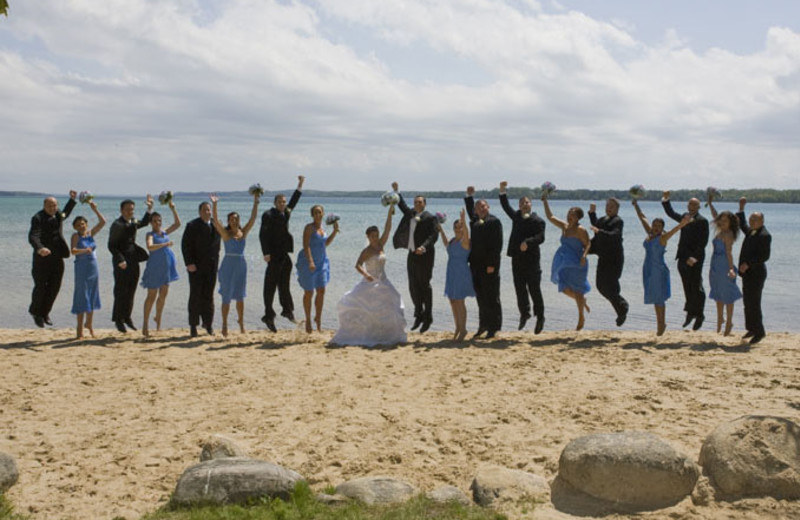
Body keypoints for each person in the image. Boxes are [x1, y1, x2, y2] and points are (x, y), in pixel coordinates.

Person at [331, 204, 406, 346]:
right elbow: (357, 264)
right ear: (368, 237)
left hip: (384, 281)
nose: (375, 238)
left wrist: (390, 212)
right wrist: (366, 275)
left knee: (394, 301)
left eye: (377, 235)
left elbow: (388, 229)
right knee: (367, 308)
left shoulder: (381, 245)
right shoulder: (367, 251)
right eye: (372, 236)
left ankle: (387, 334)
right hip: (370, 282)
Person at [632, 200, 691, 335]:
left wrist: (683, 223)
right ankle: (660, 323)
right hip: (648, 269)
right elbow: (642, 217)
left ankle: (661, 324)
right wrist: (636, 205)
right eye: (655, 225)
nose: (656, 227)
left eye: (659, 226)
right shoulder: (650, 234)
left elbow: (675, 230)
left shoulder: (662, 238)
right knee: (654, 296)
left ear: (662, 227)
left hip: (658, 270)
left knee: (659, 298)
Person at [391, 182, 439, 333]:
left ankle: (428, 316)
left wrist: (423, 247)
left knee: (424, 285)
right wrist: (396, 192)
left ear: (424, 204)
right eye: (415, 202)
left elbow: (433, 236)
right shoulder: (411, 214)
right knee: (413, 285)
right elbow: (402, 206)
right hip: (411, 254)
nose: (417, 204)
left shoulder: (430, 218)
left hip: (425, 255)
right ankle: (418, 314)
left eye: (420, 202)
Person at [499, 181, 546, 333]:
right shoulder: (517, 217)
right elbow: (505, 206)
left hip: (532, 261)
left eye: (527, 202)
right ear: (519, 206)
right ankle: (524, 314)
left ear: (531, 204)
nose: (524, 205)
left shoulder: (538, 220)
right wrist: (502, 191)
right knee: (520, 289)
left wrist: (528, 242)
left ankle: (540, 317)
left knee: (534, 290)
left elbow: (541, 237)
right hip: (517, 259)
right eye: (521, 203)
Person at [211, 193, 260, 337]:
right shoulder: (226, 234)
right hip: (228, 266)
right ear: (228, 220)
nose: (234, 221)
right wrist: (214, 204)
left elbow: (253, 219)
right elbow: (216, 223)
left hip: (241, 266)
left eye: (236, 219)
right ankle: (224, 324)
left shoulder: (242, 232)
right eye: (232, 219)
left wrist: (256, 202)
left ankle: (241, 323)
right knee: (226, 296)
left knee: (240, 296)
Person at [260, 175, 305, 332]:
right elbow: (262, 234)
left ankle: (287, 310)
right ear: (275, 203)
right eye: (280, 202)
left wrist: (299, 186)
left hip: (284, 254)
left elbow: (294, 202)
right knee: (270, 286)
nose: (283, 204)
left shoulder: (286, 212)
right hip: (273, 254)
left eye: (284, 202)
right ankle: (268, 315)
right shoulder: (268, 215)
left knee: (284, 284)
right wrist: (266, 253)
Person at [28, 191, 78, 327]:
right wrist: (40, 248)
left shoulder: (57, 214)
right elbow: (33, 236)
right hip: (42, 259)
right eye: (50, 206)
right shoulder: (37, 218)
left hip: (57, 258)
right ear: (44, 205)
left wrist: (72, 200)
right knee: (40, 287)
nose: (53, 208)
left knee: (54, 287)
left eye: (55, 205)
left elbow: (65, 214)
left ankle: (45, 313)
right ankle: (35, 312)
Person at [542, 195, 591, 331]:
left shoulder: (581, 230)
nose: (570, 215)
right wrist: (545, 201)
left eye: (573, 215)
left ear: (578, 218)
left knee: (578, 290)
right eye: (569, 213)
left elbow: (588, 244)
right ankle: (582, 302)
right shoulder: (564, 226)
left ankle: (581, 316)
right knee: (563, 288)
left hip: (578, 263)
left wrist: (584, 256)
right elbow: (550, 217)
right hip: (564, 262)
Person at [662, 191, 709, 330]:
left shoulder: (702, 220)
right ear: (688, 205)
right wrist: (666, 200)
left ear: (699, 207)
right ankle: (690, 312)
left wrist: (694, 257)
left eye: (695, 204)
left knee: (697, 286)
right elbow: (671, 213)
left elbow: (703, 242)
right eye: (690, 204)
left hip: (695, 259)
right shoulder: (684, 217)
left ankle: (699, 315)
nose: (692, 206)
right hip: (682, 257)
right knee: (686, 286)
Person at [108, 195, 154, 333]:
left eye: (132, 210)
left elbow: (145, 223)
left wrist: (149, 208)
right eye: (128, 209)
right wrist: (120, 260)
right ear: (121, 210)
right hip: (121, 262)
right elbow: (111, 246)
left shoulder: (132, 221)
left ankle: (127, 317)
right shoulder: (117, 224)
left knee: (131, 291)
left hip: (134, 260)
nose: (130, 212)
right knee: (121, 291)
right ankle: (118, 320)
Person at [465, 186, 503, 339]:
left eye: (483, 206)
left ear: (488, 207)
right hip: (475, 266)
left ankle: (494, 327)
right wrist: (469, 196)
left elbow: (497, 245)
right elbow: (469, 210)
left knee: (492, 297)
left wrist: (492, 265)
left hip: (489, 266)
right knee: (481, 297)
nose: (480, 209)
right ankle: (483, 325)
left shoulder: (494, 222)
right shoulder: (475, 221)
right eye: (478, 207)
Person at [140, 201, 181, 337]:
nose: (158, 223)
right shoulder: (150, 235)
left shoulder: (164, 232)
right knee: (151, 296)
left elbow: (177, 224)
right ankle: (145, 324)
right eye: (155, 221)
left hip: (166, 267)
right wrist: (165, 244)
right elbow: (150, 247)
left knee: (163, 295)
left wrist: (173, 208)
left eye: (159, 221)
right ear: (151, 223)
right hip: (154, 267)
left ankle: (158, 319)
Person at [296, 205, 339, 333]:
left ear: (323, 214)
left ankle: (318, 319)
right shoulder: (309, 228)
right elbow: (306, 245)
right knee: (309, 292)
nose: (318, 215)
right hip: (309, 262)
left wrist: (334, 232)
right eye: (315, 213)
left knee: (321, 290)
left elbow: (324, 244)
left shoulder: (322, 229)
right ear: (312, 215)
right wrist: (310, 261)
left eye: (319, 212)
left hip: (322, 262)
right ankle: (308, 320)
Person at [181, 200, 221, 337]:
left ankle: (208, 324)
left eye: (209, 210)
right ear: (199, 212)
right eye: (205, 210)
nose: (207, 212)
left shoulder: (217, 225)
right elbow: (185, 246)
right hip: (196, 267)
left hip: (212, 267)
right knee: (195, 296)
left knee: (209, 297)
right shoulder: (192, 225)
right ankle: (193, 326)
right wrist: (189, 263)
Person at [588, 198, 629, 327]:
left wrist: (599, 232)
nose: (608, 208)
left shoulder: (618, 221)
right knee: (600, 286)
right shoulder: (602, 219)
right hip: (603, 257)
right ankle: (621, 307)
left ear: (617, 209)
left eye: (611, 206)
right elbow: (596, 225)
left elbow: (614, 235)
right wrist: (592, 213)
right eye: (607, 206)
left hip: (614, 259)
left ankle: (622, 308)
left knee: (611, 287)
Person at [736, 198, 771, 345]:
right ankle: (751, 328)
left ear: (762, 221)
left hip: (757, 273)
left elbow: (764, 256)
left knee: (754, 303)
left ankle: (760, 332)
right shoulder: (751, 231)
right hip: (747, 273)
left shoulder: (765, 235)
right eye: (751, 219)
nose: (752, 221)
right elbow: (742, 224)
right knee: (747, 302)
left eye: (755, 219)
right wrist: (741, 208)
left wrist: (748, 264)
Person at [70, 201, 106, 339]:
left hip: (93, 267)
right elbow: (72, 251)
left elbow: (103, 222)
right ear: (75, 227)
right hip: (81, 268)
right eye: (78, 225)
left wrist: (95, 209)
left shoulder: (90, 233)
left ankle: (89, 324)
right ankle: (79, 329)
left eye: (83, 223)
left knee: (92, 294)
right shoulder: (75, 236)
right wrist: (84, 250)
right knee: (81, 295)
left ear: (86, 224)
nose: (81, 226)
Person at [707, 196, 742, 336]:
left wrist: (732, 269)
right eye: (721, 221)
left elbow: (729, 253)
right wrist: (710, 204)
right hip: (715, 265)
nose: (721, 223)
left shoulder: (728, 234)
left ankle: (729, 322)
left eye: (725, 221)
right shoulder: (720, 230)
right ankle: (720, 318)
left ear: (730, 222)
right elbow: (715, 217)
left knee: (728, 295)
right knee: (717, 293)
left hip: (724, 266)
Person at [438, 208, 474, 341]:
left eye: (460, 227)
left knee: (460, 301)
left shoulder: (465, 241)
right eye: (456, 227)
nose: (458, 229)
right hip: (451, 272)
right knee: (452, 301)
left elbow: (467, 233)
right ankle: (458, 327)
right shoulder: (453, 241)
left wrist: (464, 220)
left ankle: (463, 329)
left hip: (461, 273)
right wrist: (441, 229)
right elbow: (446, 244)